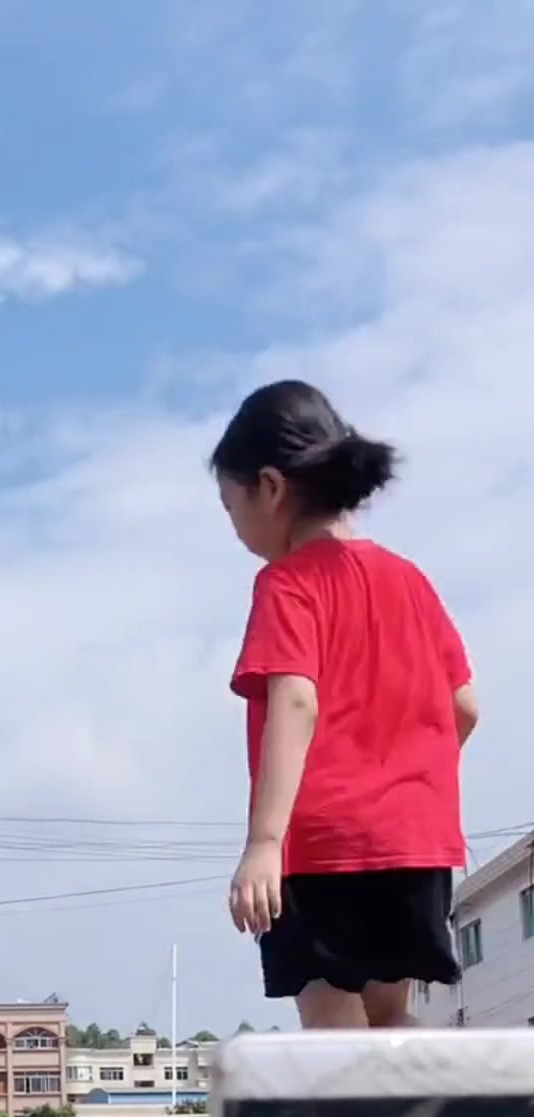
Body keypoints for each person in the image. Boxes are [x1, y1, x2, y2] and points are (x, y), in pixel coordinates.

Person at [212, 379, 478, 1029]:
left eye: (230, 505)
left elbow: (295, 698)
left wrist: (265, 842)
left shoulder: (287, 583)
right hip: (415, 846)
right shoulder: (408, 579)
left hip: (324, 848)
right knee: (388, 1019)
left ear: (270, 487)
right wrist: (402, 780)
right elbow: (463, 705)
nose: (237, 528)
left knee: (332, 1026)